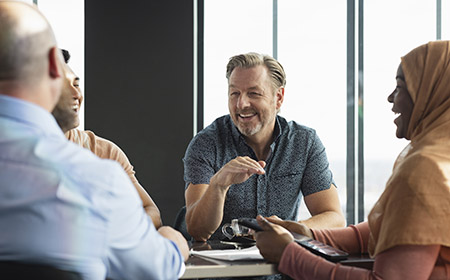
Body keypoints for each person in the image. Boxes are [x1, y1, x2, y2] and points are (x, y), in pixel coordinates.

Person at [0, 2, 188, 279]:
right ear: (54, 64)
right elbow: (155, 270)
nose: (75, 92)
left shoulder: (103, 156)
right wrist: (174, 244)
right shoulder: (96, 181)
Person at [255, 40, 450, 279]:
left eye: (400, 87)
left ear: (432, 94)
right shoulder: (443, 159)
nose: (391, 98)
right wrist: (309, 234)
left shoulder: (425, 170)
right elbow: (400, 226)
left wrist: (288, 254)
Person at [183, 52, 345, 241]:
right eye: (234, 93)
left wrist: (288, 229)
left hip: (282, 265)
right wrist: (219, 185)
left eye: (253, 93)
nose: (241, 104)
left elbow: (334, 217)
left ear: (279, 97)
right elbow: (197, 230)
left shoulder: (304, 142)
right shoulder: (207, 144)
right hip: (222, 268)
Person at [52, 49, 163, 228]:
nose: (76, 95)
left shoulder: (105, 152)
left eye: (77, 84)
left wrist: (115, 232)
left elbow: (151, 211)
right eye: (65, 86)